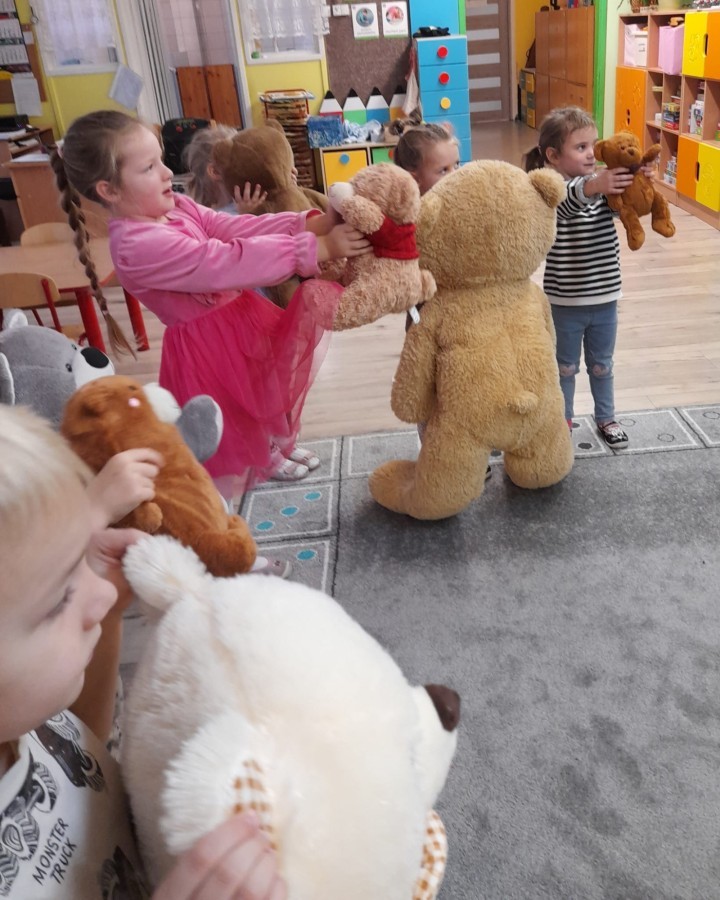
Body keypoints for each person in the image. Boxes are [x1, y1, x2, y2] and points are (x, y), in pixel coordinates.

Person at [0, 404, 288, 899]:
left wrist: (108, 618)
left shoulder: (20, 714)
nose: (100, 592)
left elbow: (82, 749)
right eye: (60, 598)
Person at [50, 110, 369, 493]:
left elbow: (230, 227)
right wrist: (315, 248)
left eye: (161, 160)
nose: (167, 172)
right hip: (208, 346)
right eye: (149, 167)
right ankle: (262, 458)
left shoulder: (176, 207)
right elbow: (222, 260)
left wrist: (306, 224)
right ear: (109, 190)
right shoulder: (136, 246)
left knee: (263, 390)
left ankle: (273, 445)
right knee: (236, 406)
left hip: (239, 317)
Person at [524, 106, 655, 449]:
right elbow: (568, 202)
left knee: (602, 365)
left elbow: (626, 209)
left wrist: (638, 184)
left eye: (592, 145)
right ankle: (562, 421)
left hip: (606, 299)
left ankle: (606, 417)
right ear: (553, 156)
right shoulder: (549, 189)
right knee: (564, 368)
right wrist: (595, 185)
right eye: (580, 147)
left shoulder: (601, 186)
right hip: (565, 303)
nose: (590, 154)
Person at [183, 124, 269, 216]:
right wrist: (246, 214)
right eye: (238, 158)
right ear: (215, 171)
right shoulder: (211, 215)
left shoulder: (244, 200)